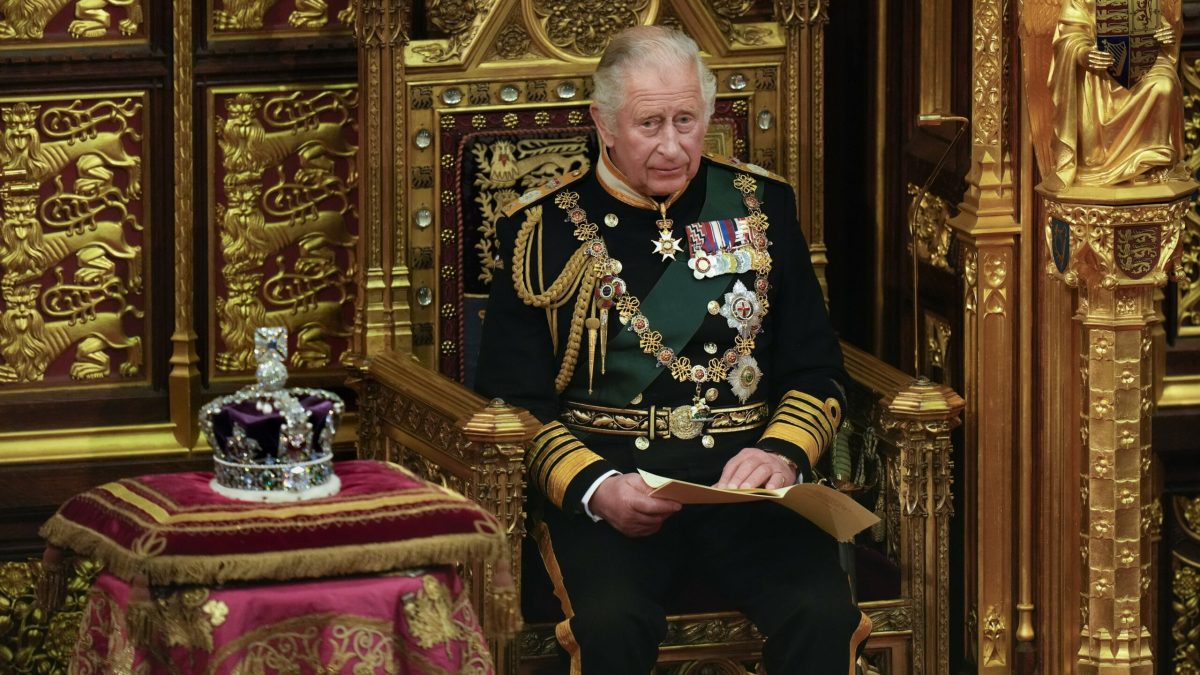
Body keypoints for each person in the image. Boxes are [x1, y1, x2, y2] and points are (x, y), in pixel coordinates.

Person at [476, 25, 869, 674]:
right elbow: (514, 404)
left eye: (686, 120)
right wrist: (598, 487)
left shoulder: (760, 206)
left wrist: (779, 452)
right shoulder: (539, 229)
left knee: (823, 614)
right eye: (649, 123)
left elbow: (815, 370)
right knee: (609, 625)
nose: (671, 145)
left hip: (748, 495)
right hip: (615, 493)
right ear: (603, 123)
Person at [1047, 0, 1186, 189]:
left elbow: (1154, 22)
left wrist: (1167, 36)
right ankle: (1098, 163)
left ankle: (1153, 162)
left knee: (1165, 84)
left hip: (1141, 63)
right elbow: (1068, 37)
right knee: (1088, 80)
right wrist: (1083, 53)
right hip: (1099, 71)